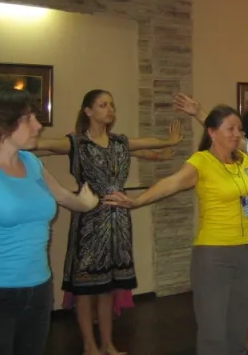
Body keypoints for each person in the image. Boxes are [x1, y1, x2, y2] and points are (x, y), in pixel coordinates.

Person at [103, 105, 248, 355]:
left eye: (239, 129)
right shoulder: (202, 162)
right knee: (214, 327)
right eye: (230, 129)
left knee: (238, 323)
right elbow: (172, 183)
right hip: (214, 254)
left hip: (244, 250)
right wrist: (136, 201)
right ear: (212, 132)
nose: (236, 134)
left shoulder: (243, 161)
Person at [35, 89, 184, 355]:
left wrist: (167, 141)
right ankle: (89, 345)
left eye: (111, 105)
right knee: (85, 288)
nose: (110, 109)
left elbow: (145, 143)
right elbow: (43, 145)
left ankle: (107, 343)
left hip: (118, 221)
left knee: (107, 287)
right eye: (103, 105)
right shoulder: (77, 143)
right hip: (89, 220)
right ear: (88, 111)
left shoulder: (119, 142)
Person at [0, 86, 105, 355]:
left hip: (39, 289)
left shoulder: (31, 162)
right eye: (28, 119)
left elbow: (62, 196)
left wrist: (87, 203)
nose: (38, 126)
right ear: (1, 124)